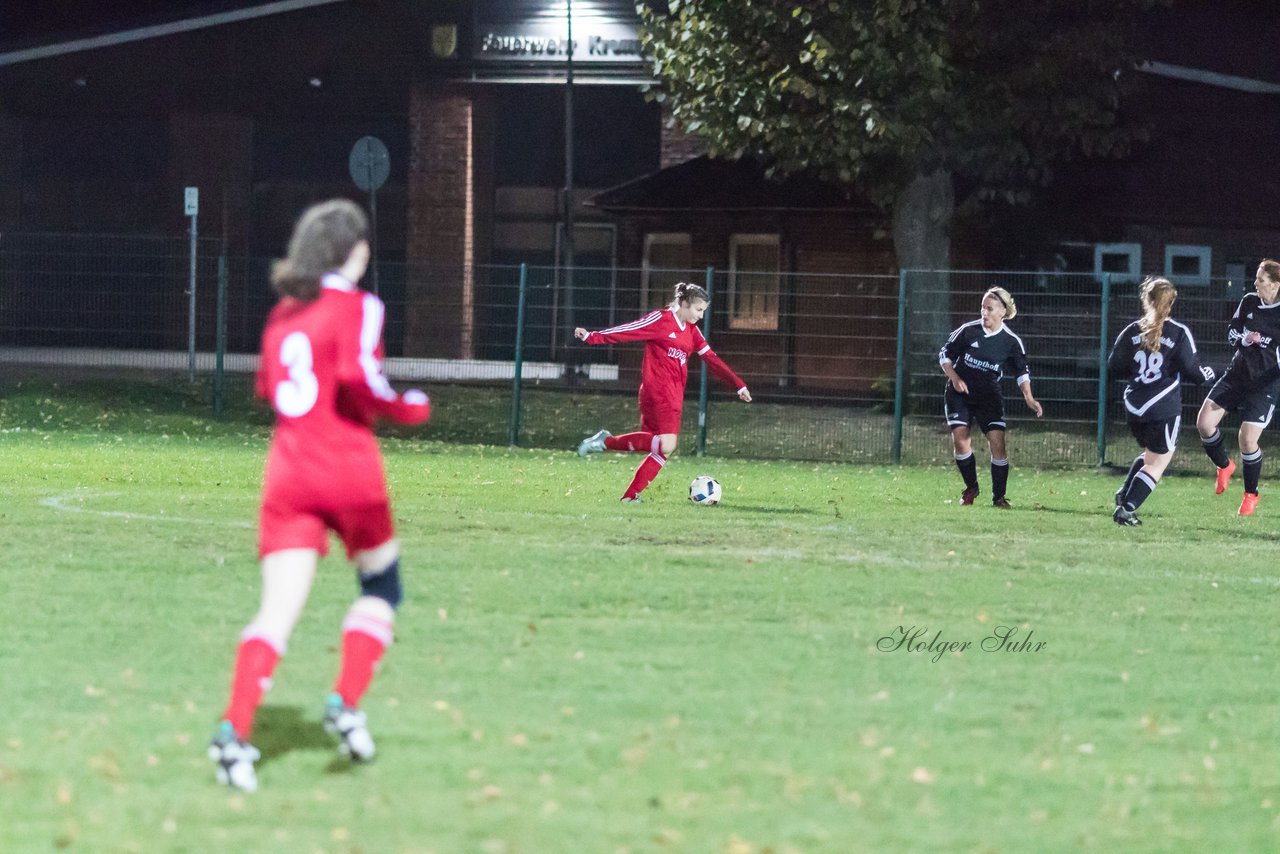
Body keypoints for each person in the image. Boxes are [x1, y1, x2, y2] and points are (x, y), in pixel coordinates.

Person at [208, 199, 431, 792]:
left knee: (277, 610)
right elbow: (361, 375)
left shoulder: (284, 312)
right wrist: (407, 406)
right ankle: (345, 701)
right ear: (352, 251)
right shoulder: (359, 306)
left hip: (288, 472)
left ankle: (234, 733)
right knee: (382, 585)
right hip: (347, 468)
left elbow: (268, 387)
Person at [573, 281, 751, 502]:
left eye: (703, 311)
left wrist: (738, 384)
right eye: (698, 310)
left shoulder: (692, 331)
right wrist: (593, 337)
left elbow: (711, 359)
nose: (701, 316)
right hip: (658, 392)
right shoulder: (661, 319)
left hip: (674, 395)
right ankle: (606, 443)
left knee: (661, 450)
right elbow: (629, 330)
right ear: (684, 304)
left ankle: (629, 495)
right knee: (667, 444)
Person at [1108, 277, 1216, 526]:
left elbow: (1113, 365)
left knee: (1150, 456)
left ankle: (1125, 493)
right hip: (1162, 407)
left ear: (1146, 300)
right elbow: (1194, 371)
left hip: (1134, 407)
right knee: (1157, 464)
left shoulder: (1131, 331)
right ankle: (1126, 509)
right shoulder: (1178, 332)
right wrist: (1209, 374)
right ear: (1170, 304)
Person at [939, 286, 1044, 508]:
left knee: (998, 445)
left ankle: (999, 497)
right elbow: (945, 355)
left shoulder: (1011, 341)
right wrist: (955, 377)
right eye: (982, 308)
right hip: (960, 393)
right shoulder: (968, 331)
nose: (984, 313)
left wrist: (1029, 397)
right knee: (961, 440)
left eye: (989, 308)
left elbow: (1021, 371)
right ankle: (971, 487)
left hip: (988, 397)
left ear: (1002, 312)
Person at [1196, 259, 1280, 515]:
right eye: (1256, 279)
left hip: (1265, 382)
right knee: (1204, 422)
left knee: (1246, 439)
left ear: (1276, 285)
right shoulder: (1249, 301)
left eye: (1261, 280)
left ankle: (1250, 495)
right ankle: (1224, 465)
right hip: (1237, 374)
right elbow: (1231, 331)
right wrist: (1243, 338)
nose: (1255, 284)